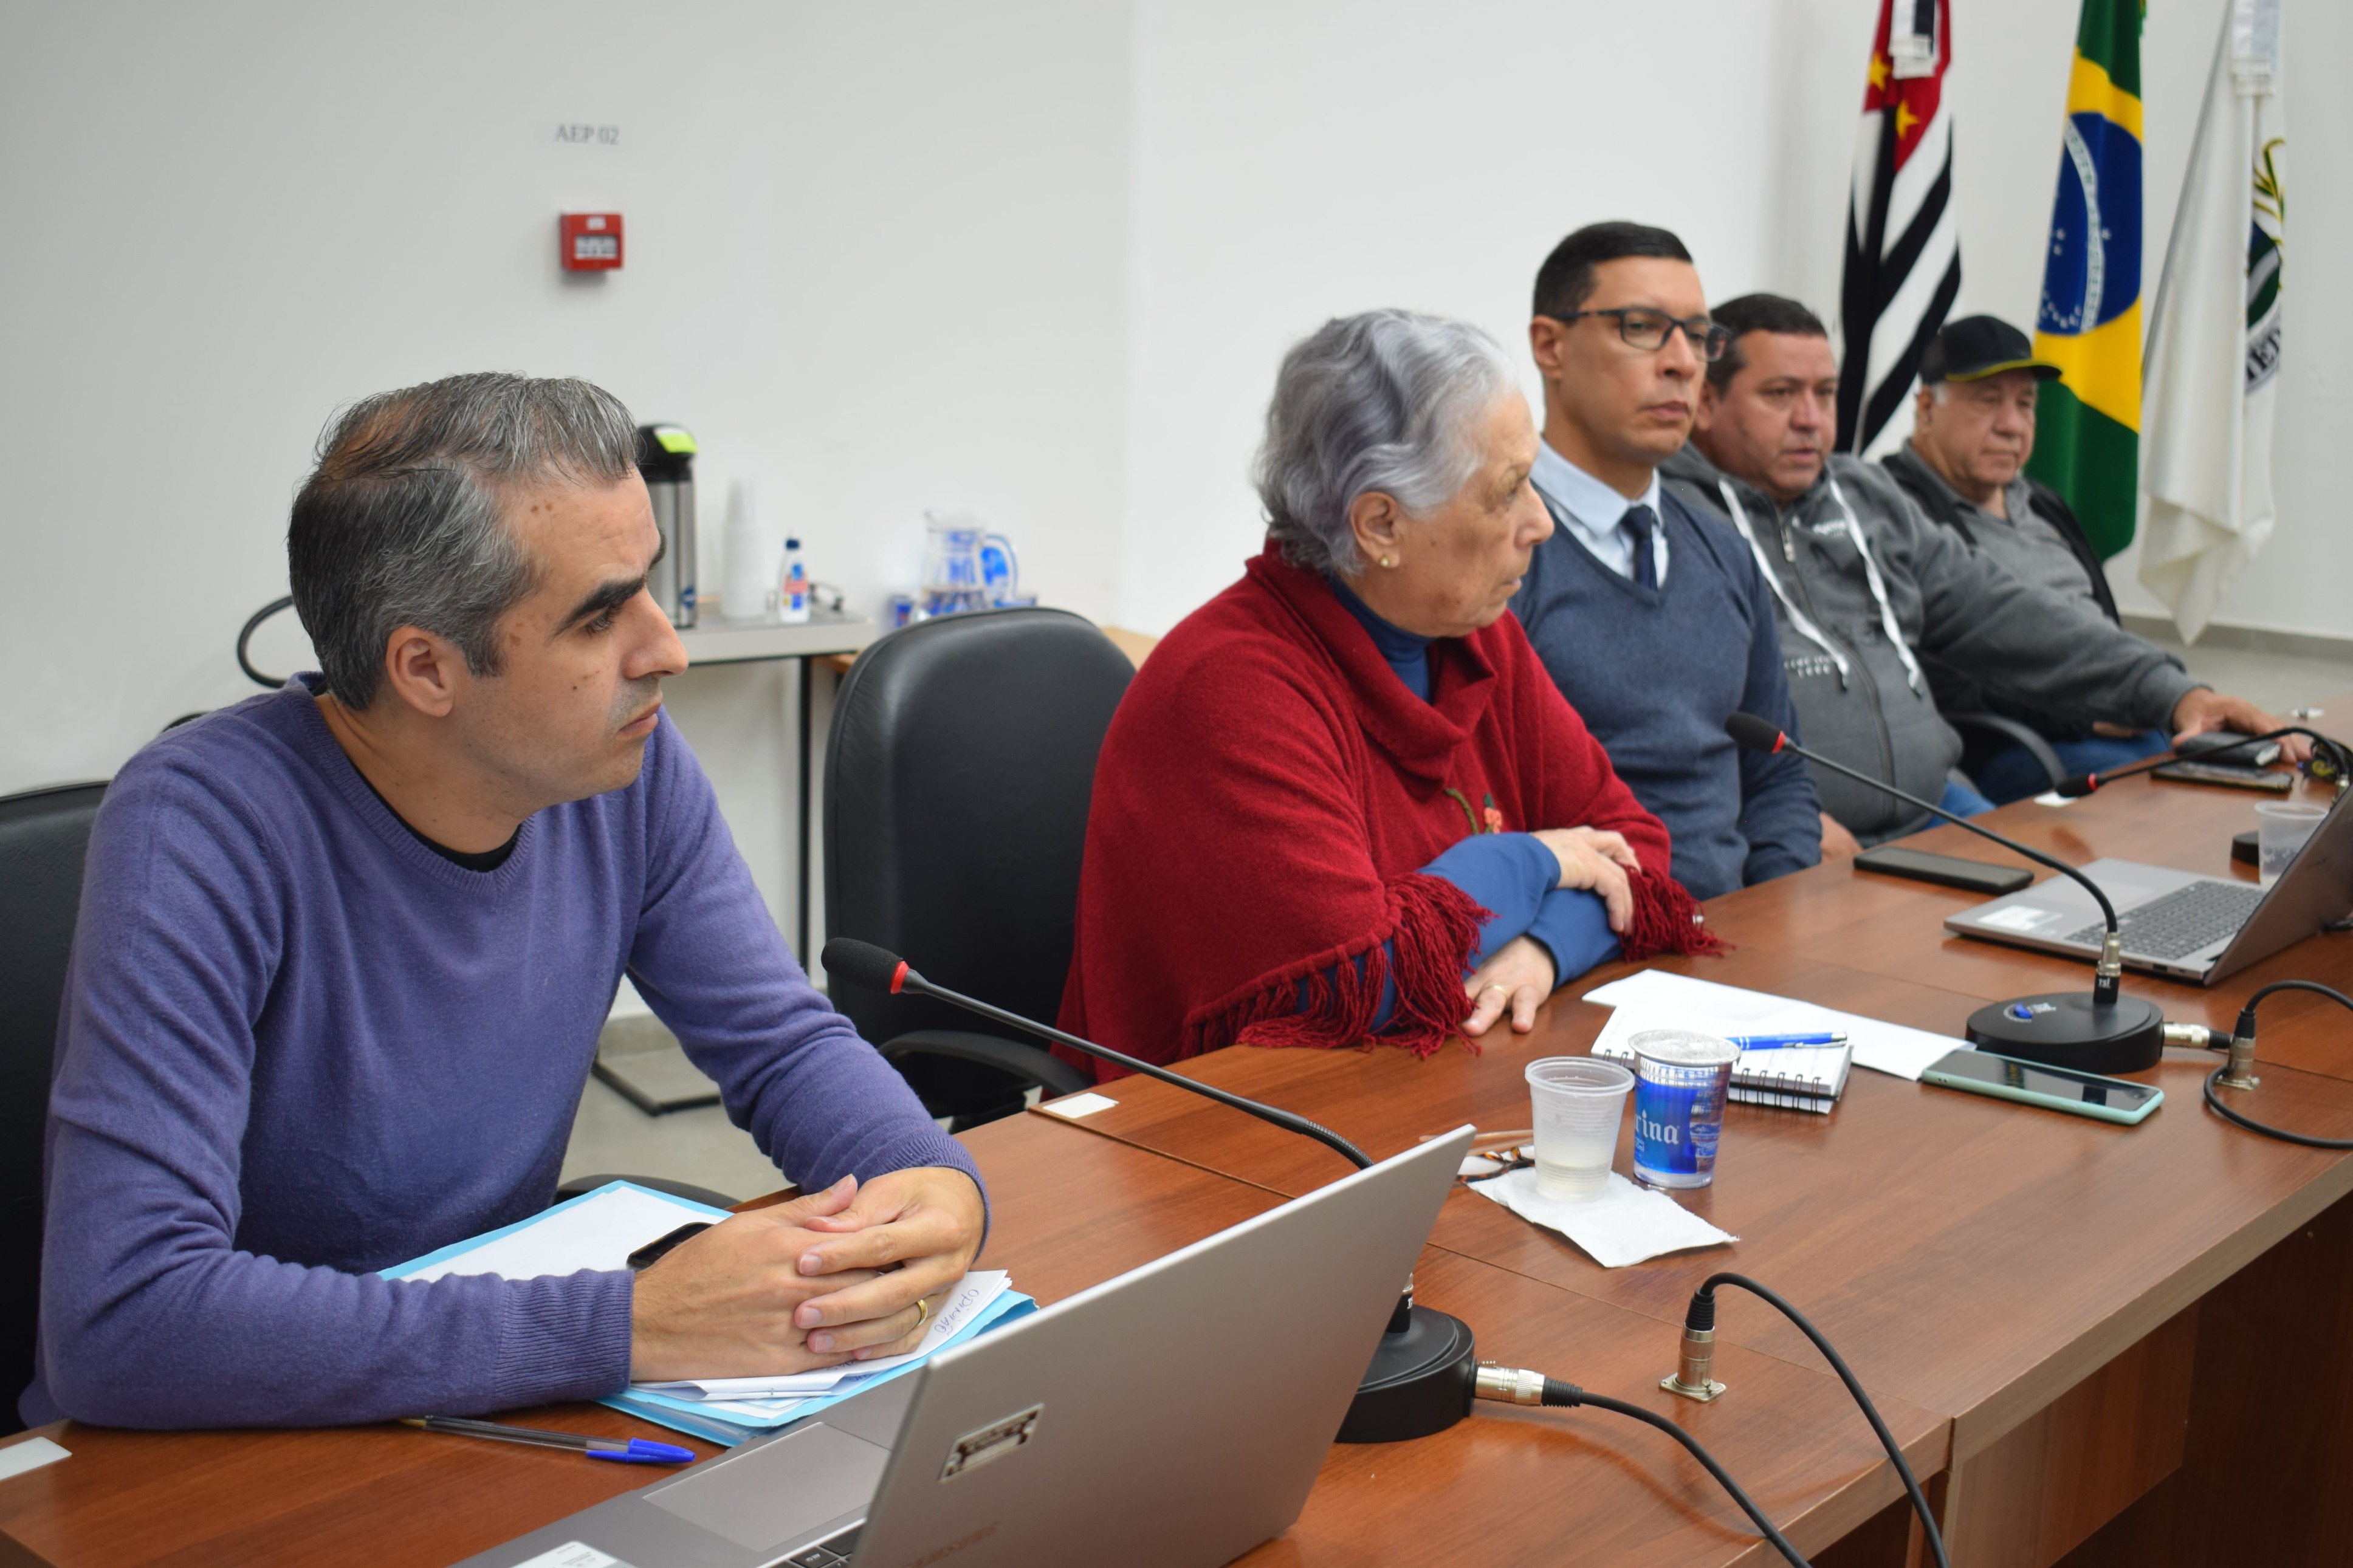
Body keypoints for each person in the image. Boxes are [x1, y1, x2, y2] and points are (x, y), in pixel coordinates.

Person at [29, 374, 986, 1431]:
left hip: (469, 1409)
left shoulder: (626, 771)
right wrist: (628, 1326)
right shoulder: (199, 828)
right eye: (597, 618)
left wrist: (929, 1181)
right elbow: (124, 1318)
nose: (665, 649)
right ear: (427, 668)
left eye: (649, 586)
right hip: (232, 1445)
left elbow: (780, 1043)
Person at [1057, 310, 1720, 1075]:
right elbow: (1356, 973)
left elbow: (1631, 848)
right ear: (1379, 525)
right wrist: (1537, 860)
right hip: (1215, 1134)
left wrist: (1542, 949)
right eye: (1507, 491)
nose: (1539, 523)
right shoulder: (1229, 685)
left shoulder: (1474, 633)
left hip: (1435, 1082)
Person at [1663, 294, 2301, 843]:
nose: (1810, 418)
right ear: (1706, 403)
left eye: (1824, 393)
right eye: (1780, 394)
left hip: (1933, 800)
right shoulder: (1671, 517)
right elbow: (1666, 718)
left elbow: (2004, 613)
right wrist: (1776, 821)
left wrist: (2178, 694)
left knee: (2080, 916)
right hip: (1801, 830)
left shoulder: (1864, 496)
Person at [1510, 222, 1827, 896]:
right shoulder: (1495, 552)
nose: (1682, 362)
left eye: (1697, 335)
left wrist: (1773, 915)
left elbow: (1775, 774)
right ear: (1550, 346)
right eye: (1641, 327)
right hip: (1575, 957)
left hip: (1735, 941)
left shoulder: (1720, 546)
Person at [1880, 315, 2163, 802]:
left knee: (2224, 755)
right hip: (2012, 742)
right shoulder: (1895, 509)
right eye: (1989, 402)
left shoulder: (2042, 502)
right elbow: (1934, 672)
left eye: (2026, 404)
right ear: (1927, 408)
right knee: (2159, 786)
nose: (2012, 425)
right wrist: (2084, 712)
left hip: (2114, 712)